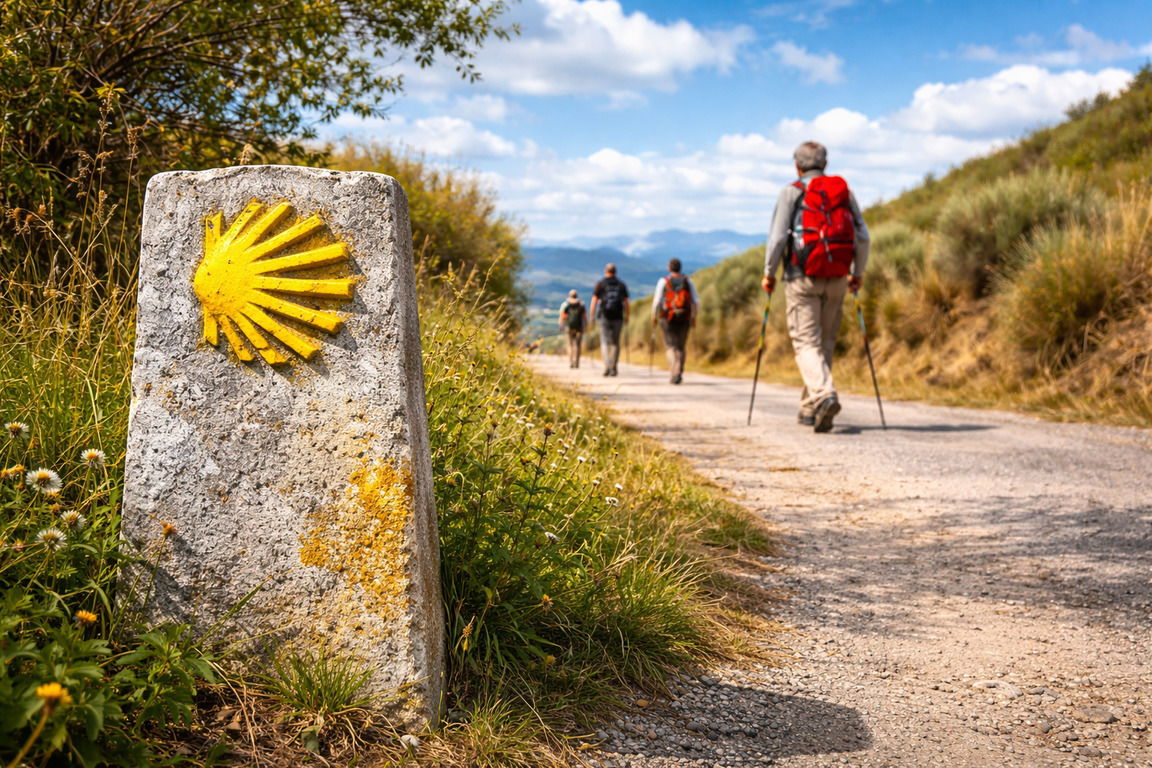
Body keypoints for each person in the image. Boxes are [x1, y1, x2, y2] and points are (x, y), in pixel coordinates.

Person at [761, 140, 870, 433]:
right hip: (837, 276)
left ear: (797, 166)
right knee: (825, 342)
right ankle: (810, 408)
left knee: (806, 342)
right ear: (825, 164)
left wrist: (769, 273)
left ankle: (823, 395)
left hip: (801, 276)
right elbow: (863, 236)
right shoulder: (843, 192)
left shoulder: (792, 192)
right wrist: (857, 272)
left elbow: (777, 239)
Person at [651, 258, 699, 384]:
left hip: (667, 317)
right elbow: (696, 302)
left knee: (670, 346)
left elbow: (657, 301)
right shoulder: (688, 281)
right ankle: (679, 371)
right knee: (681, 346)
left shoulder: (664, 281)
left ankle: (674, 372)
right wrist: (694, 317)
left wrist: (654, 317)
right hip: (685, 316)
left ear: (669, 268)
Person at [588, 263, 629, 376]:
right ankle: (614, 367)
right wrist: (627, 316)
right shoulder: (621, 284)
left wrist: (592, 316)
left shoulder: (600, 284)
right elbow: (626, 302)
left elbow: (594, 301)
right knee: (615, 343)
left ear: (605, 271)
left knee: (605, 342)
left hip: (604, 317)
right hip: (618, 317)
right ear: (615, 272)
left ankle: (607, 365)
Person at [558, 289, 587, 368]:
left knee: (570, 345)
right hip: (579, 327)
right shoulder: (581, 304)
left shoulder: (565, 304)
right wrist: (586, 326)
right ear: (576, 295)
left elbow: (562, 316)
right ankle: (577, 362)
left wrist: (561, 325)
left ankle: (571, 361)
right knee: (578, 344)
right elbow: (584, 317)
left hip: (569, 327)